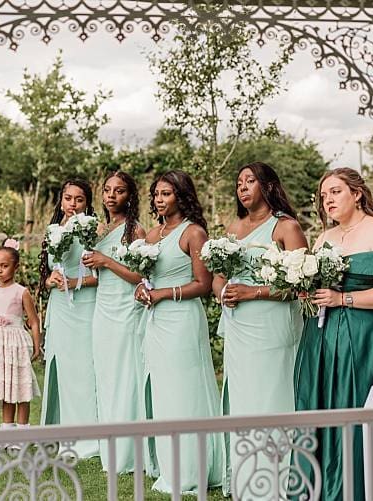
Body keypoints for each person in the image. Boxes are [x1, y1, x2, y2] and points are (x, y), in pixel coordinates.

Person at [293, 167, 373, 501]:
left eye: (335, 192)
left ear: (357, 193)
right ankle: (322, 487)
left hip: (365, 338)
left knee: (357, 407)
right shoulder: (325, 238)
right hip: (323, 338)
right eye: (323, 195)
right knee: (322, 407)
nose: (328, 200)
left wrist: (344, 299)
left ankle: (359, 487)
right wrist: (306, 289)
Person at [213, 162, 308, 495]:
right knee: (243, 398)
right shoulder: (234, 227)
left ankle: (279, 477)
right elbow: (218, 274)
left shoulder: (285, 227)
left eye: (249, 181)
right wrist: (222, 292)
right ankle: (245, 475)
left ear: (267, 186)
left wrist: (252, 292)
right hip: (239, 326)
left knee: (271, 396)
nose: (242, 187)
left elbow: (301, 284)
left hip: (272, 324)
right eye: (239, 182)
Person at [133, 170, 226, 494]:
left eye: (166, 194)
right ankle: (170, 464)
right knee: (163, 391)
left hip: (183, 319)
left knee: (185, 391)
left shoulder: (193, 233)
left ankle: (193, 468)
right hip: (155, 321)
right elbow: (146, 278)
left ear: (181, 196)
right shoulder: (152, 235)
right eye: (157, 194)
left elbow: (202, 284)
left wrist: (163, 294)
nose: (160, 200)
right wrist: (143, 290)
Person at [79, 171, 147, 473]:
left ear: (129, 196)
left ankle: (129, 451)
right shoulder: (99, 228)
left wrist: (105, 261)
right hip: (103, 310)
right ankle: (109, 444)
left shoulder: (135, 231)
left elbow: (140, 276)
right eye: (107, 190)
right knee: (106, 376)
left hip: (126, 309)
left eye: (118, 191)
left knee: (125, 375)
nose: (111, 195)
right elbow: (99, 275)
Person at [38, 178, 99, 458]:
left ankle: (87, 437)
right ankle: (60, 432)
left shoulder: (92, 231)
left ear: (87, 203)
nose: (72, 205)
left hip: (84, 306)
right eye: (67, 198)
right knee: (61, 368)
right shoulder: (53, 231)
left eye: (79, 200)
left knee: (84, 371)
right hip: (60, 308)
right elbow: (50, 267)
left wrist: (74, 281)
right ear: (60, 200)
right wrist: (50, 278)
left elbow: (99, 276)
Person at [0, 239, 41, 428]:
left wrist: (37, 347)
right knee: (6, 389)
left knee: (20, 388)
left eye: (4, 266)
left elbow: (34, 322)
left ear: (16, 267)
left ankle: (22, 432)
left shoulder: (21, 292)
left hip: (16, 346)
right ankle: (7, 431)